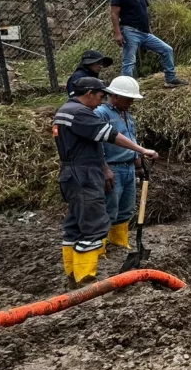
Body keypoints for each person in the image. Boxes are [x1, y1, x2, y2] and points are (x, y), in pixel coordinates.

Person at [54, 77, 158, 286]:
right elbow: (107, 137)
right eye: (100, 96)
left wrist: (137, 161)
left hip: (79, 170)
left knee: (76, 224)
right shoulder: (84, 113)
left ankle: (74, 275)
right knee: (94, 224)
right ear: (90, 93)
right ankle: (85, 280)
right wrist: (140, 151)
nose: (101, 100)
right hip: (84, 172)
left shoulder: (67, 110)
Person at [110, 0, 189, 88]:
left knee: (167, 50)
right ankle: (127, 89)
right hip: (130, 31)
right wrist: (118, 33)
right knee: (129, 61)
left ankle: (170, 79)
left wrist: (149, 30)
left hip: (145, 33)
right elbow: (114, 14)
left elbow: (145, 14)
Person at [94, 76, 145, 254]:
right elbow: (96, 144)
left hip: (128, 167)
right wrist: (104, 169)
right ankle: (99, 248)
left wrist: (138, 164)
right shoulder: (101, 113)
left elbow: (132, 140)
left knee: (126, 207)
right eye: (128, 98)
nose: (131, 102)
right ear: (114, 96)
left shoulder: (126, 115)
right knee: (109, 207)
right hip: (112, 167)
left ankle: (119, 240)